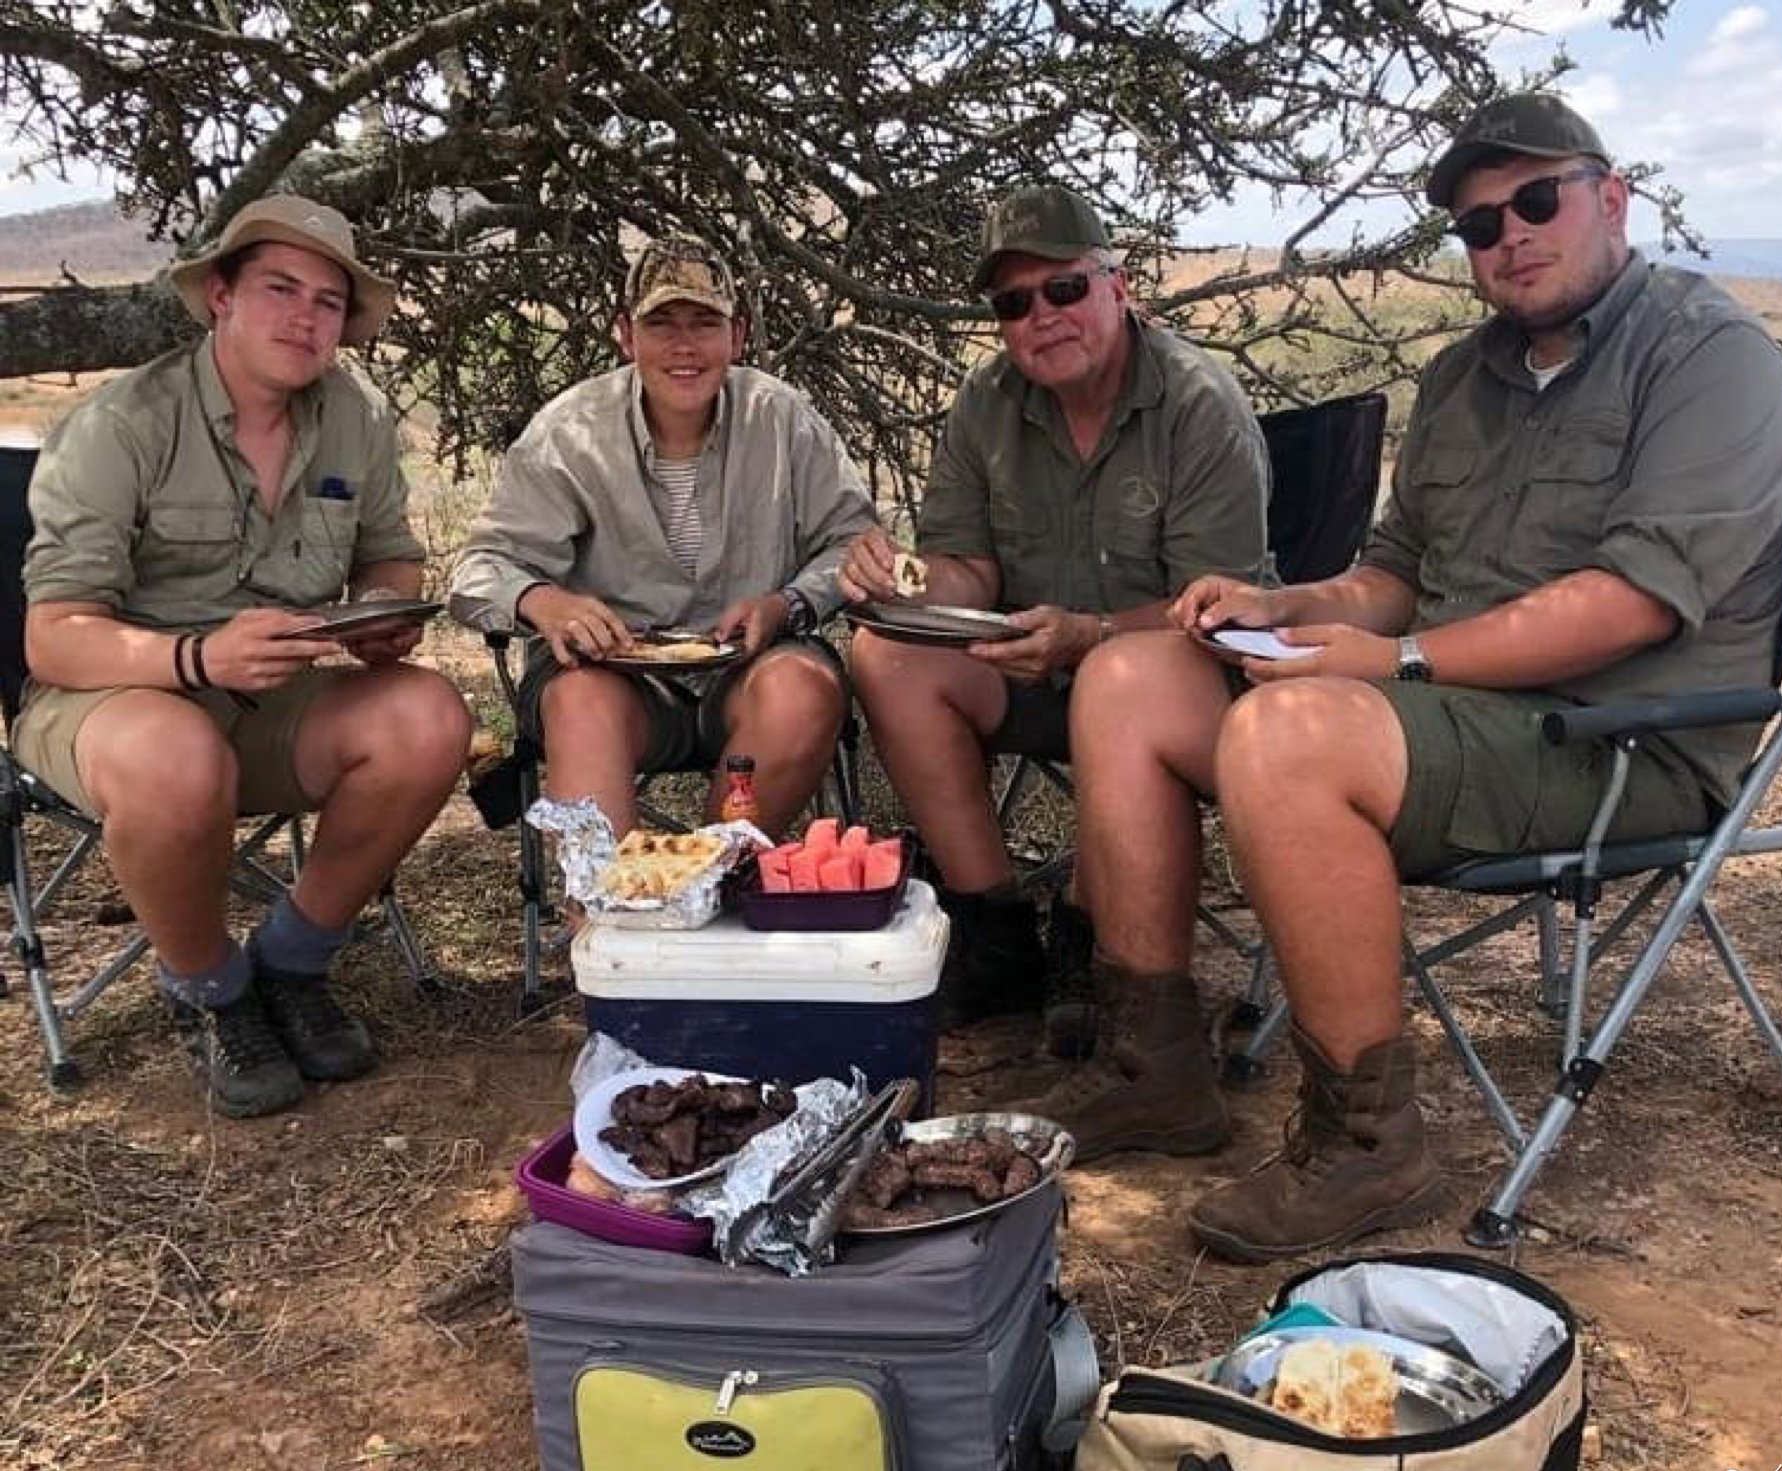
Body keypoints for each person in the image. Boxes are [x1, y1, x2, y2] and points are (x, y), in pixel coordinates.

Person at [1152, 91, 1782, 1260]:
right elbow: (1395, 572)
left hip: (1623, 740)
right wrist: (1288, 606)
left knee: (1283, 735)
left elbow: (1633, 601)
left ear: (1613, 198)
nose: (1509, 235)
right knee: (1144, 679)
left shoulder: (1715, 358)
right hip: (1456, 721)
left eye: (1535, 200)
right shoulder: (1461, 378)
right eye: (1479, 225)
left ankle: (1366, 1144)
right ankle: (1144, 1053)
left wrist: (1392, 661)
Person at [16, 195, 473, 1119]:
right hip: (115, 697)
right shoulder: (125, 423)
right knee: (179, 757)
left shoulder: (354, 419)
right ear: (219, 295)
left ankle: (294, 963)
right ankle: (210, 988)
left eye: (329, 302)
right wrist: (196, 658)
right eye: (279, 289)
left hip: (276, 695)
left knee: (429, 717)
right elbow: (53, 634)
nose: (305, 317)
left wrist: (382, 612)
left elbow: (389, 552)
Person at [838, 184, 1268, 1061]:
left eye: (1064, 289)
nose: (1043, 317)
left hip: (1172, 680)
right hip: (1032, 663)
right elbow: (968, 572)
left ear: (1118, 284)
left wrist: (1094, 636)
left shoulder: (1196, 403)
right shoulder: (985, 404)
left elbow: (1216, 604)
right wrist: (900, 578)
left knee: (1120, 677)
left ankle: (1088, 940)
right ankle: (995, 933)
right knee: (886, 652)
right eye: (1014, 303)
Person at [449, 236, 877, 836]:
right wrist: (543, 601)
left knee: (802, 688)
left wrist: (788, 604)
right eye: (660, 323)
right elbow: (477, 569)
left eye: (705, 323)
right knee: (578, 703)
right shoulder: (570, 433)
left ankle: (718, 885)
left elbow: (854, 542)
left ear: (738, 334)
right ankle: (604, 919)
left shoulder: (781, 418)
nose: (684, 346)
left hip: (749, 668)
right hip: (615, 679)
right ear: (625, 334)